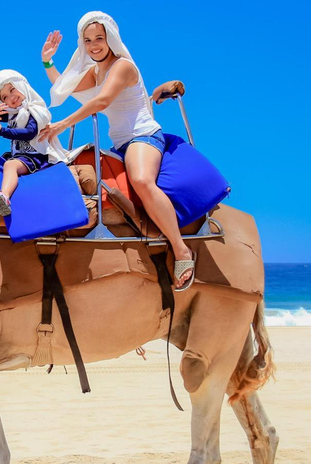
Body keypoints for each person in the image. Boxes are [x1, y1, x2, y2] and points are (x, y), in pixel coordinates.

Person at [37, 12, 196, 291]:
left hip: (142, 137)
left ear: (111, 38)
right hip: (119, 144)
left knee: (142, 181)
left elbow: (103, 100)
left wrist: (63, 124)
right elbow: (65, 88)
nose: (94, 45)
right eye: (87, 40)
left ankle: (182, 250)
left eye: (99, 38)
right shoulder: (96, 71)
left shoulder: (122, 66)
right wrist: (48, 61)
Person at [0, 69, 67, 216]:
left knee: (10, 165)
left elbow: (29, 133)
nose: (11, 97)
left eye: (12, 89)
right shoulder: (14, 113)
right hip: (21, 155)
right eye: (5, 97)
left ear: (22, 86)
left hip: (35, 156)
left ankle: (5, 196)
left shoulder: (35, 110)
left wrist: (3, 131)